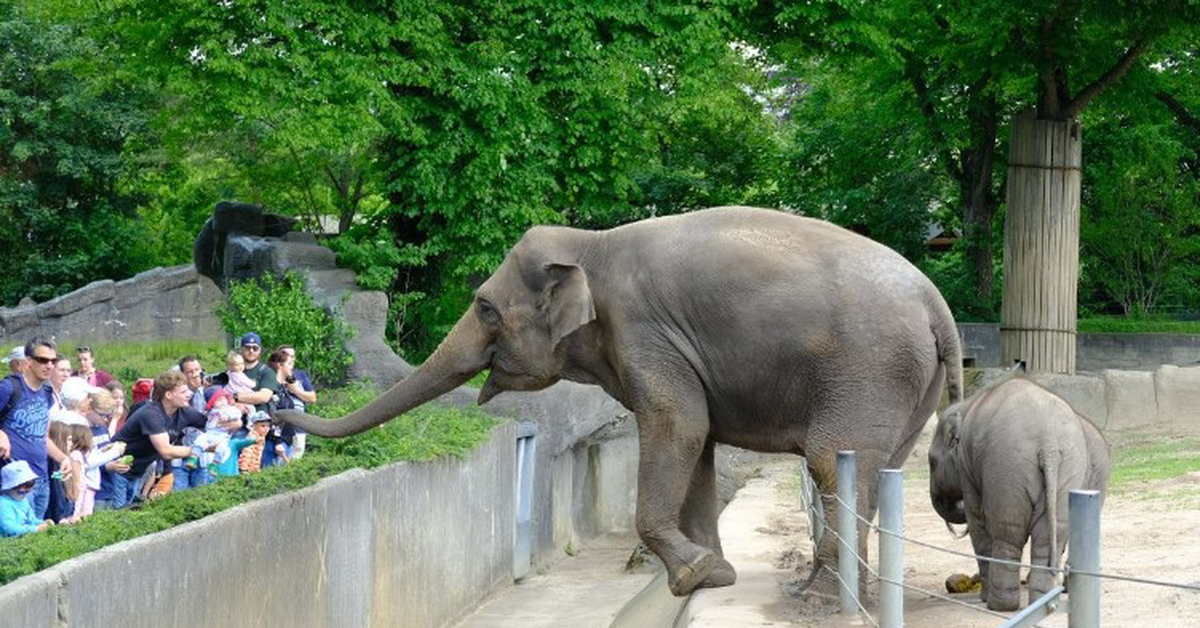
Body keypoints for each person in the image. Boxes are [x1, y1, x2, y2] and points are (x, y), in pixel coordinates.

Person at [111, 371, 208, 507]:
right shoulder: (151, 413)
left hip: (138, 471)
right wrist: (198, 449)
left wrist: (230, 419)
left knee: (127, 510)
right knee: (117, 513)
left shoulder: (184, 412)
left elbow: (210, 424)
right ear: (168, 395)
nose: (189, 394)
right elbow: (165, 451)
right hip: (117, 468)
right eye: (183, 392)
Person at [0, 337, 70, 520]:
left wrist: (63, 458)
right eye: (42, 360)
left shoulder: (46, 394)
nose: (49, 365)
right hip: (15, 481)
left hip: (41, 478)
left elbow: (43, 437)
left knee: (36, 534)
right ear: (29, 361)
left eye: (53, 361)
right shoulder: (10, 387)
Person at [60, 378, 123, 519]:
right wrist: (114, 452)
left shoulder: (81, 422)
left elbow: (89, 455)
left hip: (94, 484)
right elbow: (84, 462)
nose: (89, 401)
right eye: (87, 397)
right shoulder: (77, 424)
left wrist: (106, 450)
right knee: (77, 518)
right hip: (82, 485)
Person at [86, 387, 129, 511]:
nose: (105, 419)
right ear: (90, 408)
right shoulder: (85, 430)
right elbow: (85, 462)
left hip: (109, 486)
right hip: (95, 489)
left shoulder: (102, 427)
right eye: (102, 415)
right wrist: (107, 466)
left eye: (108, 415)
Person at [276, 345, 316, 459]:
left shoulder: (300, 375)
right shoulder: (273, 376)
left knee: (296, 459)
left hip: (299, 425)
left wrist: (296, 390)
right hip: (281, 426)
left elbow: (312, 398)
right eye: (287, 355)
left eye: (293, 356)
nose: (291, 359)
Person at [228, 332, 278, 415]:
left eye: (255, 348)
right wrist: (235, 404)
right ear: (241, 349)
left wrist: (235, 397)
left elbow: (263, 397)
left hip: (259, 420)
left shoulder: (267, 372)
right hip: (233, 418)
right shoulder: (232, 371)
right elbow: (220, 393)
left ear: (260, 350)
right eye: (247, 347)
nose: (251, 351)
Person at [0, 460, 53, 537]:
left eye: (30, 484)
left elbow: (30, 520)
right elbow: (9, 528)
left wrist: (42, 523)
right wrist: (35, 529)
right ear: (10, 486)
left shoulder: (24, 500)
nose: (26, 490)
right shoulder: (3, 503)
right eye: (22, 485)